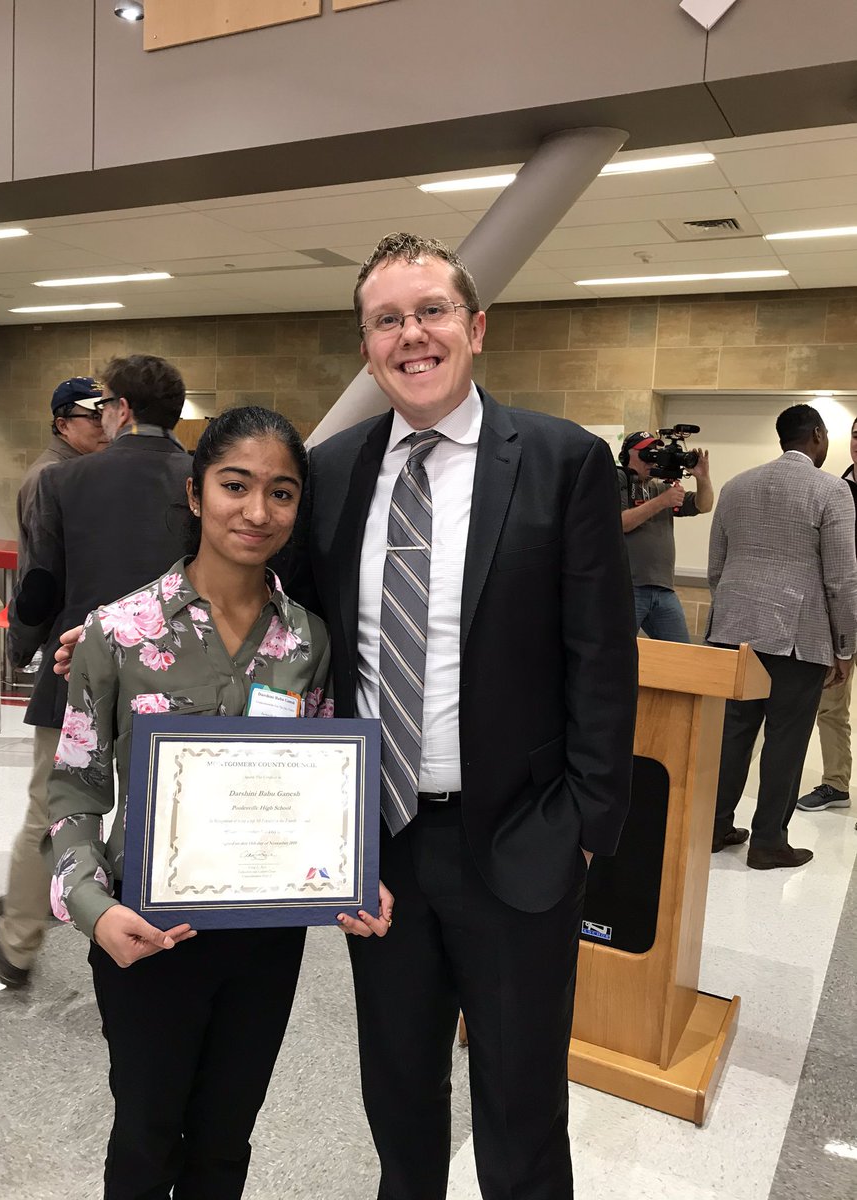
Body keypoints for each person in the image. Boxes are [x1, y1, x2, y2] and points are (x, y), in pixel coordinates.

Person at [286, 233, 638, 1199]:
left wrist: (584, 828)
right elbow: (274, 624)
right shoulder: (333, 473)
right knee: (398, 1100)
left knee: (522, 1112)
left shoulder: (562, 462)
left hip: (521, 839)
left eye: (431, 311)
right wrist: (119, 635)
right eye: (387, 320)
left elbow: (603, 657)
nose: (413, 335)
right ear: (365, 345)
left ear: (475, 327)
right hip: (380, 849)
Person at [48, 406, 391, 1200]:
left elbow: (321, 786)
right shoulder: (120, 632)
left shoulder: (308, 640)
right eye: (236, 486)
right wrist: (95, 909)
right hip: (145, 931)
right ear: (197, 493)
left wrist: (351, 871)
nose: (258, 511)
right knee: (143, 1134)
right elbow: (71, 794)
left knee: (227, 1137)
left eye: (281, 493)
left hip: (264, 940)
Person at [0, 356, 192, 990]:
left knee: (52, 812)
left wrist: (22, 649)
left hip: (76, 673)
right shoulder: (204, 478)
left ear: (121, 409)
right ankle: (167, 928)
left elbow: (41, 585)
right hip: (175, 678)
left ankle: (19, 940)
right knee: (168, 809)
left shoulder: (66, 481)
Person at [707, 404, 857, 869]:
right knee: (786, 741)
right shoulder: (832, 490)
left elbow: (716, 569)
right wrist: (846, 647)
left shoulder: (735, 486)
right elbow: (842, 580)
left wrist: (737, 616)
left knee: (731, 735)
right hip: (797, 637)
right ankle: (768, 842)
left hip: (733, 634)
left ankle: (713, 827)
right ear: (816, 435)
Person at [798, 412, 857, 814]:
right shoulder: (836, 489)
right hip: (843, 613)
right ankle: (836, 783)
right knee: (831, 704)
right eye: (856, 434)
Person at [617, 430, 713, 642]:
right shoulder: (619, 481)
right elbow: (621, 523)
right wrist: (662, 502)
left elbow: (704, 505)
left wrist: (702, 477)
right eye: (646, 452)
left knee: (681, 656)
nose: (652, 457)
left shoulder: (661, 489)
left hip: (663, 590)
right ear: (628, 455)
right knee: (617, 651)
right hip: (628, 587)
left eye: (655, 451)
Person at [15, 376, 108, 568]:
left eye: (109, 415)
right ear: (62, 425)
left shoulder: (86, 470)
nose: (107, 426)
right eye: (96, 417)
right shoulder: (47, 476)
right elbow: (45, 563)